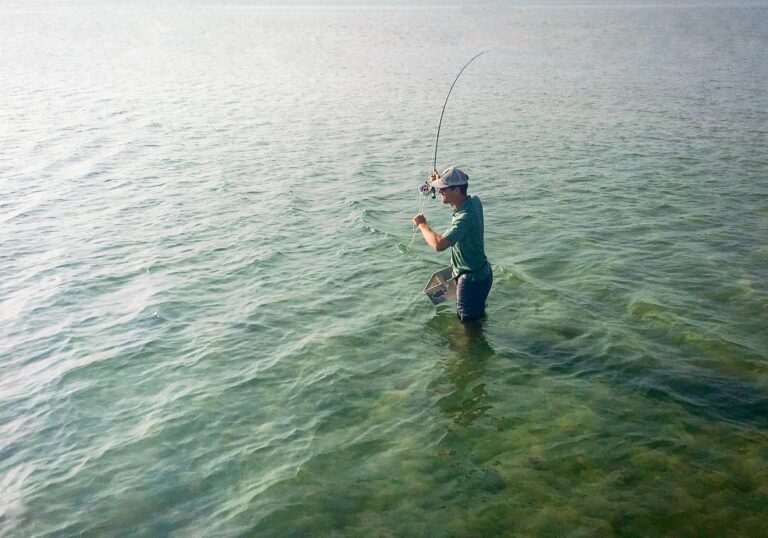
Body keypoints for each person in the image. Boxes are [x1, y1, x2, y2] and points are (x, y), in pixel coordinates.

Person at [412, 166, 493, 322]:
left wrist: (422, 225)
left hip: (470, 281)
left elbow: (438, 245)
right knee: (476, 318)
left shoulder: (464, 218)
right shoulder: (474, 201)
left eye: (444, 188)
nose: (440, 191)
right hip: (483, 272)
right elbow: (456, 201)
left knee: (467, 328)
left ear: (456, 190)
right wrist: (438, 181)